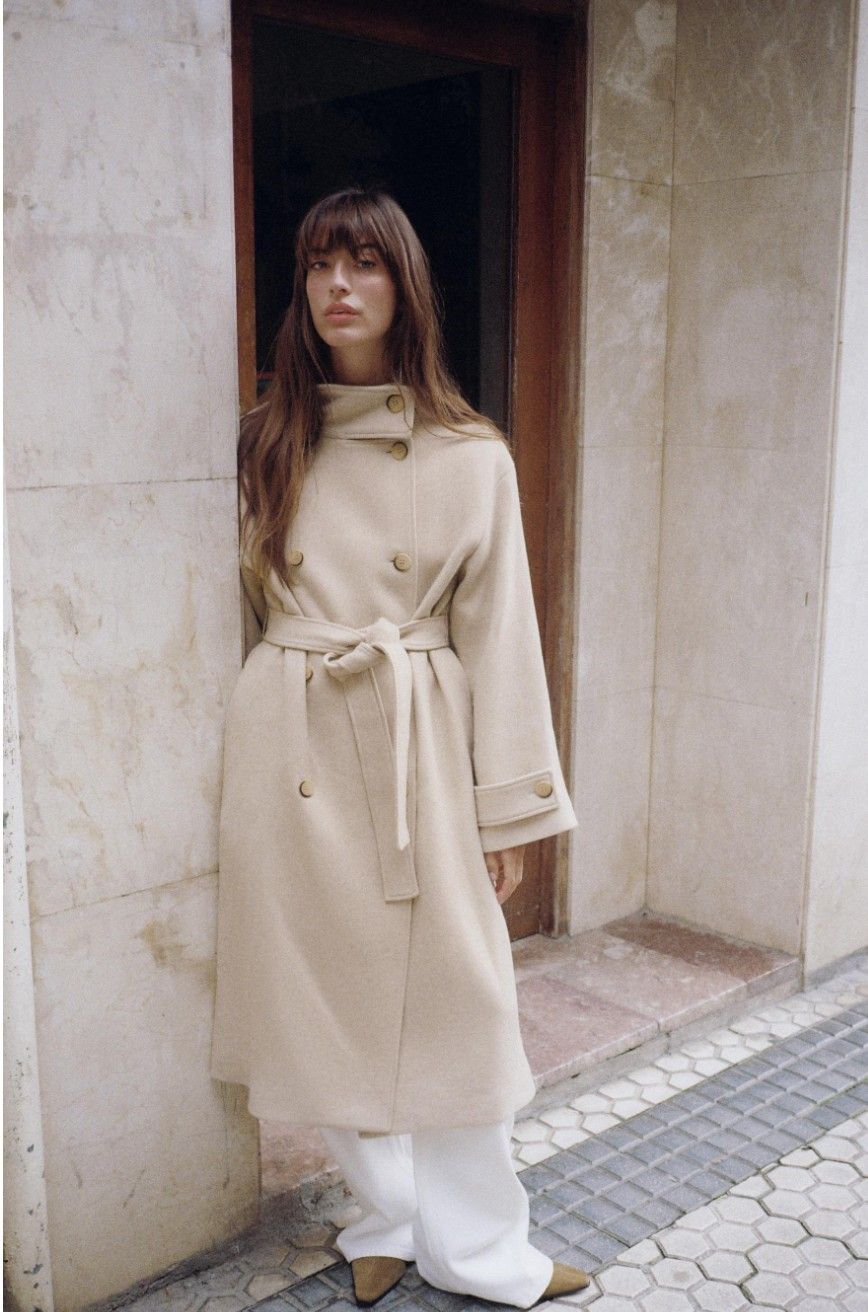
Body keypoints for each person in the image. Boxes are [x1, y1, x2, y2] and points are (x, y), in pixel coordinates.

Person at [209, 188, 588, 1308]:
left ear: (403, 284)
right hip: (290, 742)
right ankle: (383, 1218)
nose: (339, 285)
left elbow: (501, 635)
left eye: (364, 263)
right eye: (320, 263)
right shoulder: (267, 440)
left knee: (462, 1006)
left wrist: (505, 806)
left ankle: (483, 1251)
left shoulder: (471, 453)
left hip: (415, 742)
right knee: (320, 997)